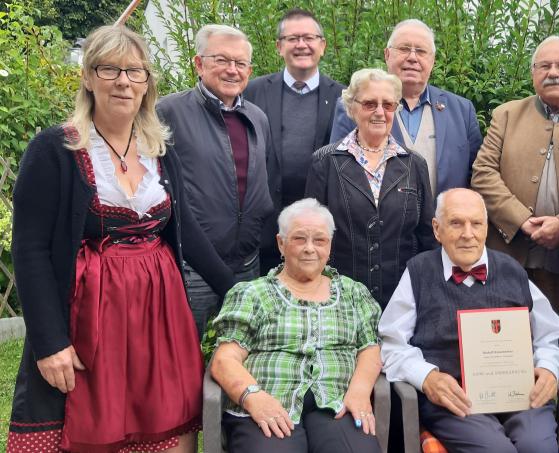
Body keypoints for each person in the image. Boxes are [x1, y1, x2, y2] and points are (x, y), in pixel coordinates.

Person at [7, 25, 234, 452]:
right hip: (90, 314)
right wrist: (50, 342)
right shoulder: (56, 149)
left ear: (148, 83)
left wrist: (238, 290)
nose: (123, 81)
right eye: (109, 69)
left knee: (164, 427)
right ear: (88, 78)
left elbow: (185, 231)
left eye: (134, 71)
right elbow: (30, 250)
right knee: (88, 424)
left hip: (159, 313)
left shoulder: (158, 148)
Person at [471, 36, 559, 453]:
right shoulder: (506, 114)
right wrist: (522, 219)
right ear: (532, 73)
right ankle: (505, 422)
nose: (553, 72)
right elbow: (482, 173)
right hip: (512, 252)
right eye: (544, 65)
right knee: (508, 340)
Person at [379, 188, 559, 453]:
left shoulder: (512, 270)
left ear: (486, 227)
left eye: (476, 223)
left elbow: (548, 336)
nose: (467, 234)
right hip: (455, 401)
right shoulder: (418, 272)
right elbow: (391, 344)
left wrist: (549, 367)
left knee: (538, 447)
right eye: (456, 223)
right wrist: (426, 377)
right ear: (437, 229)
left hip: (519, 394)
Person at [210, 198, 382, 453]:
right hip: (269, 403)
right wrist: (254, 398)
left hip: (337, 405)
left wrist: (359, 391)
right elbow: (224, 360)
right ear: (281, 243)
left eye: (319, 240)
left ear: (330, 246)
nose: (309, 249)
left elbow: (370, 349)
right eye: (299, 239)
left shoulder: (353, 293)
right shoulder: (253, 294)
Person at [157, 24, 273, 338]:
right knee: (186, 350)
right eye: (222, 60)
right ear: (199, 63)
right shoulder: (168, 112)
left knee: (243, 350)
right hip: (193, 266)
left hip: (247, 262)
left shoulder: (257, 118)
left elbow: (262, 179)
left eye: (240, 63)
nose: (232, 70)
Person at [305, 68, 436, 307]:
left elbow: (427, 236)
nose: (379, 112)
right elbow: (311, 236)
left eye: (388, 105)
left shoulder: (414, 164)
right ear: (352, 108)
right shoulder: (325, 161)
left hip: (402, 297)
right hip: (340, 298)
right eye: (369, 104)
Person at [329, 19, 482, 196]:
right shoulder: (356, 105)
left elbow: (476, 176)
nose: (412, 57)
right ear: (387, 54)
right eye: (404, 49)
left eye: (421, 51)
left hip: (443, 221)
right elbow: (339, 170)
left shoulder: (462, 110)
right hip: (378, 222)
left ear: (432, 60)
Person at [244, 8, 344, 274]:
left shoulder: (344, 98)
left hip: (319, 227)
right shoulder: (252, 91)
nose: (302, 45)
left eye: (309, 38)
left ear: (322, 45)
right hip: (265, 226)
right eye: (292, 38)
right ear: (279, 46)